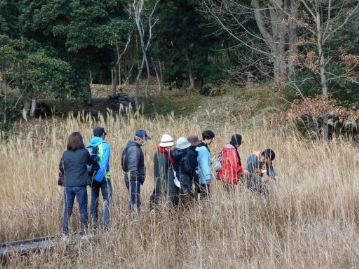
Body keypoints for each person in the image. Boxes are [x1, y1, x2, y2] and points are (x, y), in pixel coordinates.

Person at [59, 132, 94, 238]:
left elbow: (61, 167)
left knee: (67, 209)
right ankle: (85, 232)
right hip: (80, 185)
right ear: (80, 141)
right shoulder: (84, 152)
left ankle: (64, 234)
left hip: (68, 185)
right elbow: (90, 162)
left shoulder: (65, 153)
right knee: (82, 209)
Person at [88, 127, 112, 230]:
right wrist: (99, 178)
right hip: (103, 177)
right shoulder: (105, 145)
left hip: (92, 178)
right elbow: (104, 163)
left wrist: (92, 180)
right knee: (108, 200)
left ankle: (94, 225)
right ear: (102, 134)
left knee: (94, 200)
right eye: (104, 134)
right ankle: (105, 226)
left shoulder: (89, 146)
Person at [122, 129, 150, 212]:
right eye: (145, 139)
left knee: (134, 201)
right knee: (135, 202)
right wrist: (136, 180)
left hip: (133, 178)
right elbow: (132, 169)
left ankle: (133, 218)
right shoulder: (134, 149)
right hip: (133, 179)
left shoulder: (134, 147)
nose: (146, 141)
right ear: (139, 138)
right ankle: (135, 220)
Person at [149, 134, 175, 209]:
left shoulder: (162, 153)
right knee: (160, 199)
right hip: (163, 183)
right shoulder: (162, 155)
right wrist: (166, 186)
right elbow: (162, 173)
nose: (171, 147)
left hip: (161, 182)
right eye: (170, 146)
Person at [171, 137, 195, 207]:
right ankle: (188, 209)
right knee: (187, 194)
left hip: (175, 176)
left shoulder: (172, 152)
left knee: (178, 194)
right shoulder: (186, 154)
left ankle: (179, 209)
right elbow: (188, 168)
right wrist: (192, 175)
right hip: (185, 177)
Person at [196, 130, 215, 199]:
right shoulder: (203, 149)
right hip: (203, 177)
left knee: (198, 195)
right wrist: (208, 176)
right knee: (205, 197)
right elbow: (204, 164)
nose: (212, 141)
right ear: (207, 138)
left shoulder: (197, 146)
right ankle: (204, 209)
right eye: (211, 139)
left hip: (197, 175)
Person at [187, 135, 200, 200]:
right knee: (196, 189)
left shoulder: (187, 151)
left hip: (190, 174)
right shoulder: (192, 153)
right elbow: (193, 166)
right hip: (192, 174)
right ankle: (195, 201)